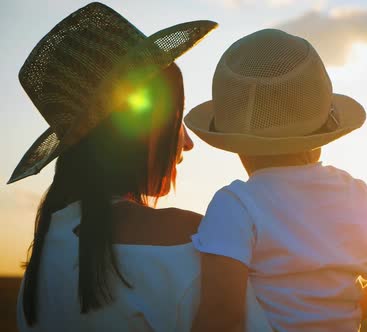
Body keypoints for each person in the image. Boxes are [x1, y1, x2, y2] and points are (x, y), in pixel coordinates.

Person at [11, 3, 270, 331]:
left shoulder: (42, 261)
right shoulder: (195, 244)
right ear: (142, 127)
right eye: (177, 120)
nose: (188, 143)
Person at [185, 28, 367, 331]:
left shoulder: (235, 204)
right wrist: (349, 312)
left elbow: (221, 314)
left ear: (234, 142)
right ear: (322, 131)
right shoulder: (356, 194)